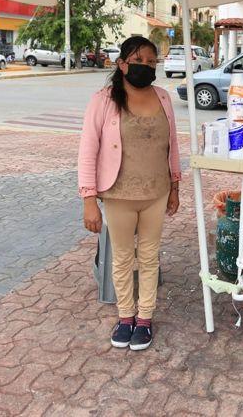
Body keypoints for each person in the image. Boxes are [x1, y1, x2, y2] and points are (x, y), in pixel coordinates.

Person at [78, 35, 181, 351]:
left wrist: (175, 186)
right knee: (123, 258)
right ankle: (125, 317)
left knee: (149, 257)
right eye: (138, 62)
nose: (145, 67)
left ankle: (145, 318)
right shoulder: (104, 99)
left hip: (156, 192)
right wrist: (89, 200)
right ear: (122, 64)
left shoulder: (163, 97)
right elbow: (87, 149)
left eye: (151, 62)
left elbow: (172, 144)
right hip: (117, 193)